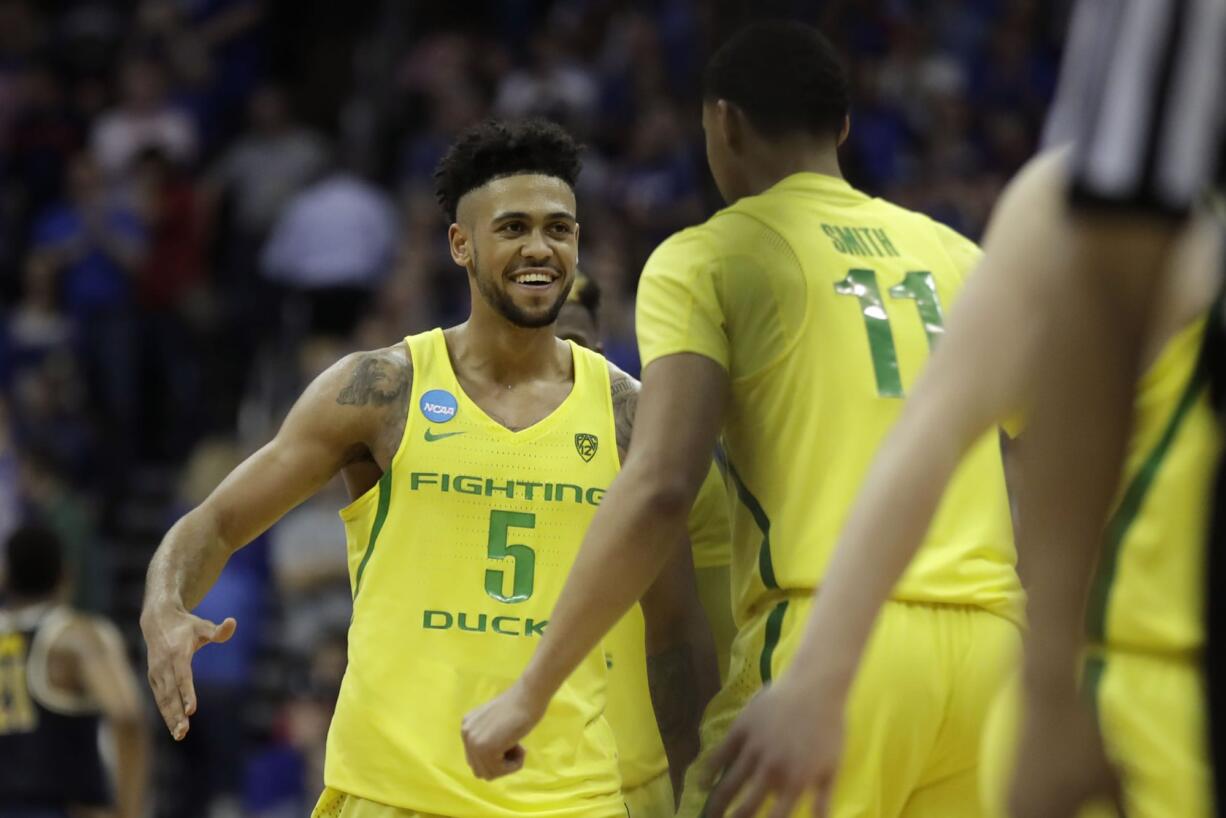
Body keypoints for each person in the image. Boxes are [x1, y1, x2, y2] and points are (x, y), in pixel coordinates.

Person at [461, 21, 1022, 818]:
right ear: (844, 128)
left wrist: (531, 687)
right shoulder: (961, 258)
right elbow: (1056, 455)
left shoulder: (708, 258)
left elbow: (660, 486)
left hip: (831, 645)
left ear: (721, 123)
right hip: (997, 657)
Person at [140, 118, 717, 818]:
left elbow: (676, 631)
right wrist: (164, 605)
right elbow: (217, 523)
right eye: (512, 228)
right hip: (391, 795)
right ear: (461, 245)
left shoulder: (634, 417)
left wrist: (697, 787)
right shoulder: (382, 390)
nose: (540, 248)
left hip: (569, 799)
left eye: (559, 229)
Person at [698, 146, 1223, 818]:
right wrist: (819, 677)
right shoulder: (1098, 192)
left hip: (985, 638)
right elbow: (951, 429)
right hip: (1129, 691)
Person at [555, 273, 735, 816]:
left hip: (630, 783)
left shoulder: (671, 463)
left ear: (603, 355)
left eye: (575, 347)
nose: (557, 363)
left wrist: (698, 788)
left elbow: (704, 642)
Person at [0, 523, 149, 818]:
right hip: (60, 805)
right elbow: (127, 715)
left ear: (6, 577)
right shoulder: (73, 638)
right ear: (65, 575)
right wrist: (129, 810)